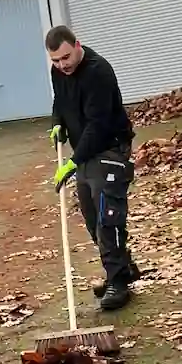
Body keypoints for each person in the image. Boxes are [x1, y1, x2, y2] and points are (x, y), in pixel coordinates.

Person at [45, 24, 141, 312]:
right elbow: (60, 101)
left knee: (107, 216)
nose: (62, 65)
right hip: (85, 152)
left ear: (77, 45)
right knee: (90, 217)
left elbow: (98, 125)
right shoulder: (58, 72)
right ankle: (122, 268)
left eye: (65, 57)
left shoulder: (98, 71)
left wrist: (72, 163)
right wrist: (57, 123)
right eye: (55, 60)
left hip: (109, 147)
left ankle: (118, 283)